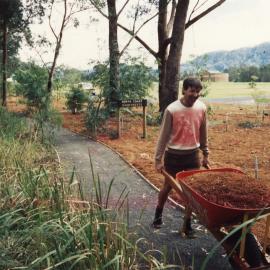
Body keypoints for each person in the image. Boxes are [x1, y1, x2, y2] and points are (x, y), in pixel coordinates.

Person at [152, 77, 210, 235]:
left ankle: (187, 223)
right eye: (192, 91)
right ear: (184, 90)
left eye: (198, 91)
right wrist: (158, 160)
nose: (195, 94)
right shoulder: (172, 109)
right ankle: (158, 213)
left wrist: (205, 153)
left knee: (191, 192)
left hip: (192, 156)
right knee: (167, 187)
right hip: (174, 156)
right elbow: (163, 136)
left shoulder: (201, 108)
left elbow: (203, 132)